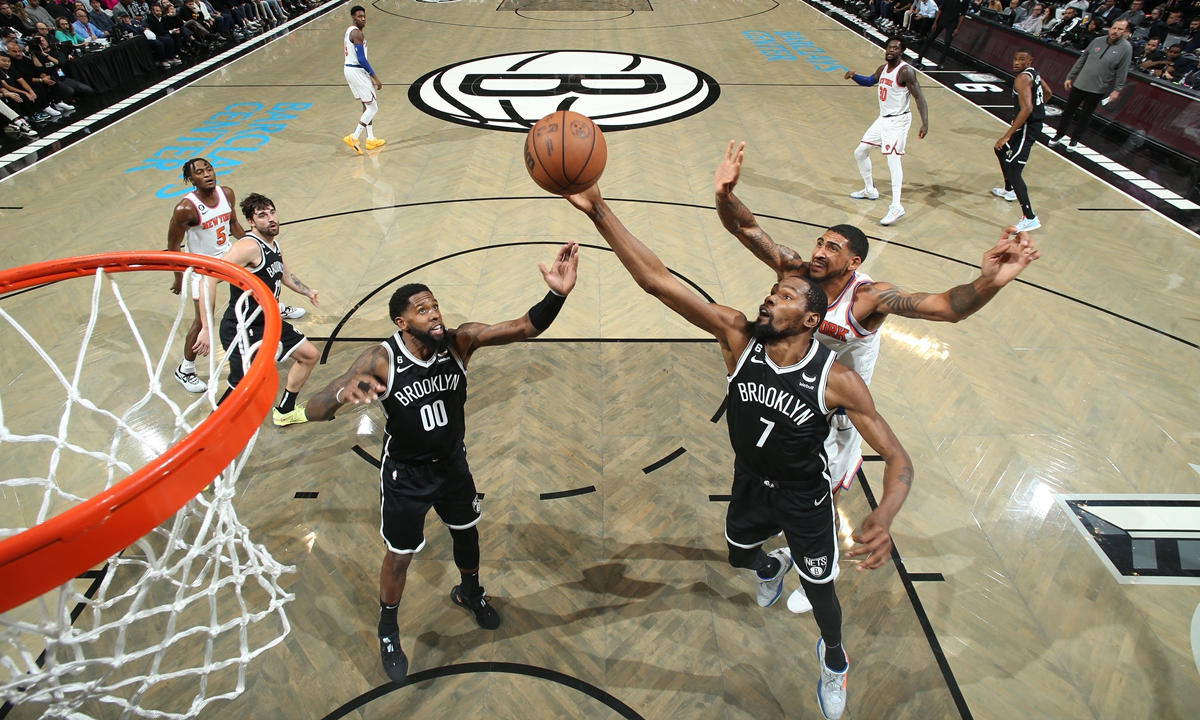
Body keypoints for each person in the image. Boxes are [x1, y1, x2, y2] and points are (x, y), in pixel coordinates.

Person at [564, 182, 913, 720]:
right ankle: (770, 565)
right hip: (750, 481)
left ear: (811, 322)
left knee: (822, 591)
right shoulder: (737, 336)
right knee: (739, 556)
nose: (772, 296)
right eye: (773, 292)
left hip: (804, 496)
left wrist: (885, 516)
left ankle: (835, 659)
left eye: (787, 296)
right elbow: (656, 280)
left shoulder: (837, 380)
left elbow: (898, 457)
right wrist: (599, 209)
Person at [713, 140, 1040, 575]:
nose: (818, 252)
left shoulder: (868, 296)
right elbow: (745, 228)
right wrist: (725, 195)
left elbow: (945, 307)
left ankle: (817, 563)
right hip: (788, 388)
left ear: (854, 261)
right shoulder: (795, 275)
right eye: (819, 242)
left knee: (820, 494)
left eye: (832, 248)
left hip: (836, 405)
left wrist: (990, 282)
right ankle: (777, 543)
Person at [302, 242, 579, 683]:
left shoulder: (460, 342)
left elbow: (525, 327)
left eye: (434, 305)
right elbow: (315, 407)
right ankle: (388, 628)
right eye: (421, 308)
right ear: (401, 321)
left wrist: (557, 295)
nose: (433, 313)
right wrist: (341, 397)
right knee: (399, 556)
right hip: (406, 475)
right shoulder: (381, 359)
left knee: (467, 536)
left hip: (452, 466)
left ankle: (469, 592)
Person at [206, 193, 320, 426]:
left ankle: (285, 411)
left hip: (267, 322)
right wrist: (205, 327)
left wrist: (307, 291)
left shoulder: (273, 244)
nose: (270, 219)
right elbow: (208, 278)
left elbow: (285, 275)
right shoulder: (248, 246)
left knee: (309, 355)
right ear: (250, 221)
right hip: (243, 328)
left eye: (272, 212)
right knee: (242, 388)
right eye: (262, 215)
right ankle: (210, 431)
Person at [166, 158, 245, 394]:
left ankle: (275, 313)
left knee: (261, 279)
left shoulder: (227, 194)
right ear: (192, 180)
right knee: (202, 322)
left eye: (209, 169)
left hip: (228, 256)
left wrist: (254, 245)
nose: (207, 174)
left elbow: (234, 225)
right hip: (202, 268)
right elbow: (173, 246)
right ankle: (185, 369)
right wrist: (179, 278)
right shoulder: (185, 209)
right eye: (200, 173)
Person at [843, 38, 929, 227]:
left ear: (901, 52)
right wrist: (854, 76)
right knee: (860, 152)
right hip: (883, 119)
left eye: (896, 48)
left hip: (898, 121)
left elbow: (919, 97)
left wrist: (925, 123)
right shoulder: (883, 69)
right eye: (889, 47)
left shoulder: (906, 71)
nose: (891, 50)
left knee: (893, 159)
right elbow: (867, 82)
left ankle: (896, 206)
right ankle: (870, 190)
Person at [1049, 19, 1131, 151]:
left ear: (1125, 32)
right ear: (1109, 28)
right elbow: (1082, 59)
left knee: (1085, 115)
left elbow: (1123, 71)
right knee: (1068, 111)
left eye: (1120, 29)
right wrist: (1070, 76)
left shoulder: (1126, 49)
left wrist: (1117, 90)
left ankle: (1075, 139)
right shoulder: (1097, 41)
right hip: (1080, 83)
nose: (1116, 31)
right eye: (1114, 28)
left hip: (1098, 88)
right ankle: (1059, 135)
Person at [993, 49, 1051, 232]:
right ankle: (1009, 190)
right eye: (1015, 58)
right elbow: (1048, 92)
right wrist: (1038, 109)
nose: (1016, 62)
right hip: (1028, 123)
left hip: (1028, 127)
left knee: (1014, 168)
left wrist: (1008, 134)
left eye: (1022, 59)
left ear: (1030, 61)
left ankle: (1030, 217)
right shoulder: (1034, 74)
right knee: (1000, 149)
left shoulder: (1021, 79)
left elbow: (1026, 109)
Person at [342, 4, 382, 154]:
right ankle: (354, 136)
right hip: (356, 70)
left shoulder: (349, 31)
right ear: (353, 17)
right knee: (373, 107)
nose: (363, 19)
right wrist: (374, 77)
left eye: (364, 16)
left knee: (367, 105)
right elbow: (361, 59)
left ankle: (370, 139)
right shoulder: (357, 34)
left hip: (350, 69)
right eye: (359, 16)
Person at [916, 0, 967, 66]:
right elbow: (941, 9)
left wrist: (957, 28)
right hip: (942, 19)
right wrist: (935, 22)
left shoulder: (966, 1)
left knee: (947, 42)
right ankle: (920, 57)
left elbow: (963, 14)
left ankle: (941, 63)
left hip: (953, 22)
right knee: (930, 38)